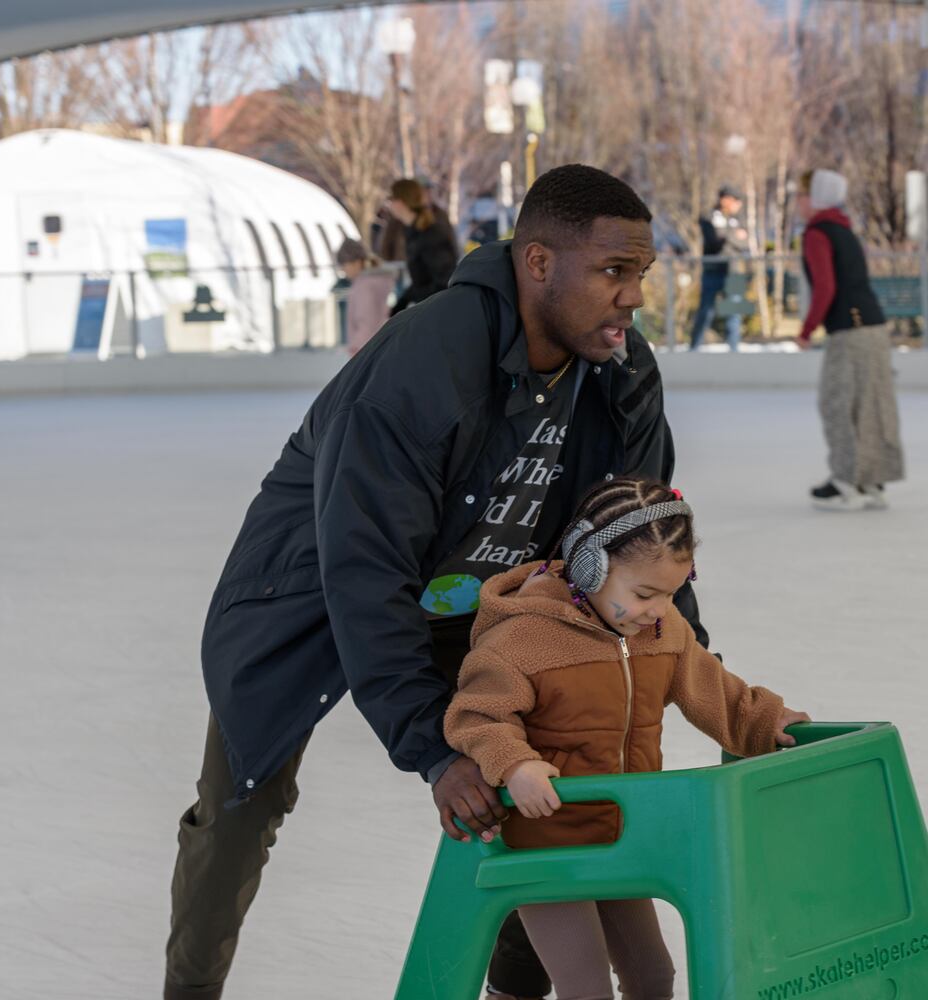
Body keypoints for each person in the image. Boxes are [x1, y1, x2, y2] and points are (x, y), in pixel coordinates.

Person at [164, 164, 705, 1000]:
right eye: (611, 272)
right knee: (241, 801)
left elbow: (641, 541)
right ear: (537, 264)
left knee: (560, 765)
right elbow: (363, 568)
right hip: (310, 593)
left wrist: (691, 663)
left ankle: (514, 991)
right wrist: (432, 746)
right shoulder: (424, 361)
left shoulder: (619, 371)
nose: (632, 297)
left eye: (640, 275)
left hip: (482, 598)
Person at [445, 478, 810, 999]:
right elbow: (477, 715)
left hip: (622, 837)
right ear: (590, 566)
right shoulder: (522, 638)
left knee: (652, 978)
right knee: (586, 989)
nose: (658, 609)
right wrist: (515, 765)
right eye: (644, 593)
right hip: (546, 849)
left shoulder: (663, 632)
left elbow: (714, 691)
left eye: (670, 593)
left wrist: (765, 721)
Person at [795, 169, 904, 510]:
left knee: (837, 403)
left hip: (849, 330)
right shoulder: (844, 228)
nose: (797, 204)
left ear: (814, 198)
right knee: (872, 404)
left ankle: (845, 482)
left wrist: (806, 329)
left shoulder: (817, 233)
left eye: (800, 196)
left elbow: (826, 286)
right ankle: (872, 480)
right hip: (873, 326)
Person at [688, 185, 750, 351]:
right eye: (736, 201)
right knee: (706, 312)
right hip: (713, 271)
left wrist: (726, 235)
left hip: (733, 271)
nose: (739, 205)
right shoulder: (708, 217)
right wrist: (733, 235)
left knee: (734, 313)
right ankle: (694, 349)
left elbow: (745, 243)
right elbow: (714, 239)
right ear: (725, 199)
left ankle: (733, 351)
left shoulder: (739, 218)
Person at [388, 177, 459, 314]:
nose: (389, 204)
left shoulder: (431, 235)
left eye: (391, 199)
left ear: (401, 202)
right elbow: (420, 281)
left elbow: (444, 280)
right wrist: (400, 305)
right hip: (429, 310)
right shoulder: (413, 233)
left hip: (439, 312)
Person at [333, 237, 396, 355]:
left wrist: (356, 348)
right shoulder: (373, 282)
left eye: (344, 265)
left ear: (356, 262)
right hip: (376, 348)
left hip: (365, 350)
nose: (342, 270)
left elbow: (367, 321)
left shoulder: (364, 287)